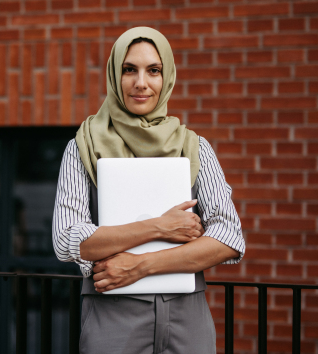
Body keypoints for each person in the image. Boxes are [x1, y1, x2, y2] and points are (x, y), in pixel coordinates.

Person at [52, 27, 245, 354]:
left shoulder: (194, 147)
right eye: (130, 70)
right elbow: (67, 239)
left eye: (153, 70)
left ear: (166, 76)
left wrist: (141, 265)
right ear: (115, 76)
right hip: (112, 318)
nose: (141, 82)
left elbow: (229, 237)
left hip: (189, 318)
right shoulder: (82, 147)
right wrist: (159, 226)